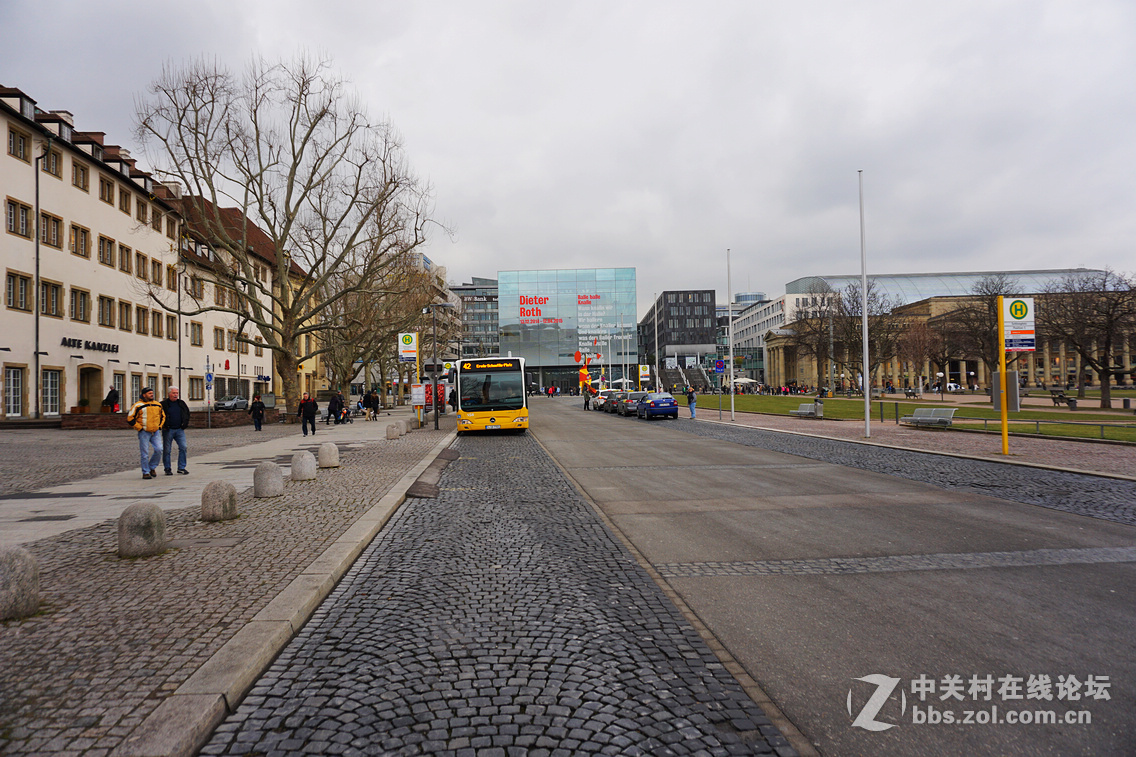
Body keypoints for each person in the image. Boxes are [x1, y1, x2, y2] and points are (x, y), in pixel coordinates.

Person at [126, 387, 165, 479]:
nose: (152, 394)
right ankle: (145, 472)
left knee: (159, 449)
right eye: (149, 393)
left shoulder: (157, 405)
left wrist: (159, 426)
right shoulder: (137, 405)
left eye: (152, 393)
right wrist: (139, 428)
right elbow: (130, 418)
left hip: (155, 431)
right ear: (144, 395)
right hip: (144, 432)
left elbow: (163, 416)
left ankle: (152, 467)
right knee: (144, 453)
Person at [160, 386, 191, 475]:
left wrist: (185, 423)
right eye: (174, 393)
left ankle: (181, 467)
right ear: (169, 394)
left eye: (177, 393)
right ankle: (167, 468)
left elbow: (187, 413)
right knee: (167, 450)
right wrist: (164, 425)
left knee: (183, 447)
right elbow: (159, 416)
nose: (175, 395)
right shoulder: (163, 404)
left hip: (179, 429)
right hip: (168, 429)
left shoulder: (181, 403)